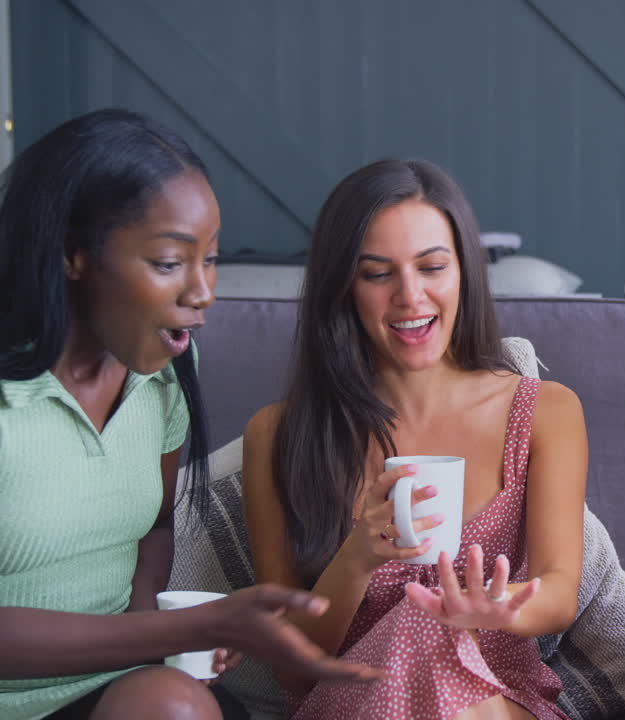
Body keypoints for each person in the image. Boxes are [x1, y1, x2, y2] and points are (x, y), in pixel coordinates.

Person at [0, 109, 380, 720]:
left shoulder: (163, 376)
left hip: (118, 690)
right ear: (73, 255)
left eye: (210, 259)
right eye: (170, 262)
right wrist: (170, 635)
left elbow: (154, 531)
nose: (203, 291)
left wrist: (170, 629)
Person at [241, 158, 588, 720]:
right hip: (349, 704)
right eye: (377, 273)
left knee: (427, 626)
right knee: (416, 622)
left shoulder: (545, 411)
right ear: (344, 286)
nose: (410, 295)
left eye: (432, 266)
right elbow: (291, 663)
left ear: (463, 273)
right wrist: (356, 557)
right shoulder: (278, 434)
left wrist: (497, 608)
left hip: (497, 699)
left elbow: (559, 592)